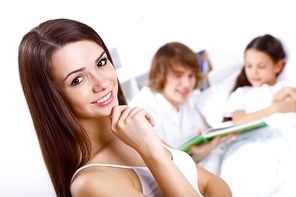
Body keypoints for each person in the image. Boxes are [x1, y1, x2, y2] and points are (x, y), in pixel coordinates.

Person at [18, 18, 232, 197]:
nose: (102, 83)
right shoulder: (90, 183)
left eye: (101, 63)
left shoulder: (133, 129)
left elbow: (213, 184)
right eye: (77, 80)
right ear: (53, 98)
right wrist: (153, 152)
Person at [129, 42, 233, 162]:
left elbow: (192, 154)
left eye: (191, 75)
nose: (186, 84)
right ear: (160, 75)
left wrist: (208, 145)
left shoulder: (190, 100)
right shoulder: (142, 110)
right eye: (178, 75)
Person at [224, 34, 296, 124]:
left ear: (278, 66)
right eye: (249, 65)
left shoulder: (287, 86)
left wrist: (289, 90)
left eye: (261, 66)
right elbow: (239, 120)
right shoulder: (241, 93)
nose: (254, 72)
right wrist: (276, 108)